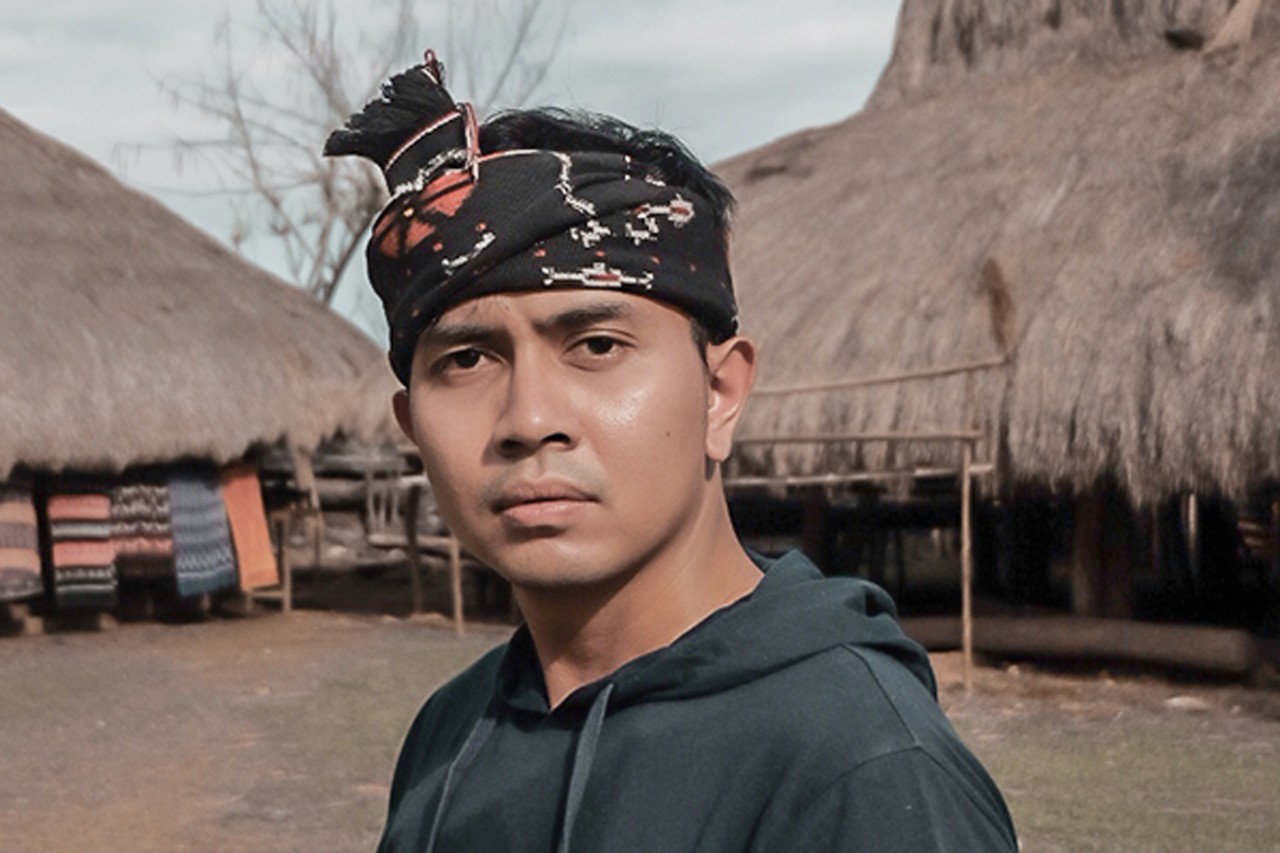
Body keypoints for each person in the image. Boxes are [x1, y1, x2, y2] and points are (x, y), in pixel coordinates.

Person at [325, 51, 1018, 853]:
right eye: (467, 360)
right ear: (412, 429)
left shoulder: (863, 770)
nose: (528, 418)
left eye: (595, 343)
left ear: (720, 393)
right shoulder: (449, 734)